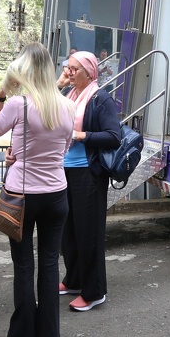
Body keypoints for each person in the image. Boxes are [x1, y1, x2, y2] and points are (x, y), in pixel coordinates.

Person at [0, 43, 74, 337]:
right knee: (50, 264)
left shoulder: (17, 104)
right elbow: (62, 151)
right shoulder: (67, 106)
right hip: (56, 194)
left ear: (23, 72)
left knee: (24, 266)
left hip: (21, 196)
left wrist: (0, 92)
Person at [58, 51, 120, 312]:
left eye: (75, 69)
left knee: (87, 232)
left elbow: (113, 136)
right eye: (67, 68)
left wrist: (82, 135)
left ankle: (94, 291)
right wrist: (59, 83)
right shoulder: (67, 96)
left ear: (90, 73)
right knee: (67, 231)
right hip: (64, 170)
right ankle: (73, 279)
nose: (70, 72)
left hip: (88, 173)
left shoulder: (100, 99)